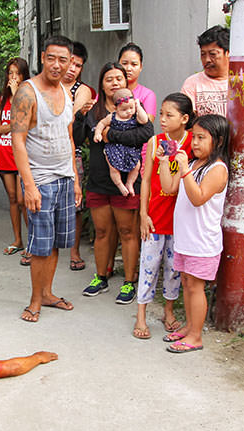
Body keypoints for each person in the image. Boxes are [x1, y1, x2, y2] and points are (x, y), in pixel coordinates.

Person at [11, 36, 81, 323]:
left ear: (71, 64)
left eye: (63, 60)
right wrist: (29, 185)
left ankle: (49, 293)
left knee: (55, 244)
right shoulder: (28, 93)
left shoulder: (66, 92)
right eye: (51, 58)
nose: (57, 65)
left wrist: (76, 178)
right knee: (40, 245)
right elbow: (17, 139)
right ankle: (35, 300)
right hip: (40, 179)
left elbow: (68, 137)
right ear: (42, 57)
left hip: (64, 176)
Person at [75, 63, 153, 304]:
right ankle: (101, 277)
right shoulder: (94, 111)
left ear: (126, 82)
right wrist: (80, 116)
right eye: (109, 79)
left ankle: (130, 281)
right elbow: (80, 138)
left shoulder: (133, 106)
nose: (115, 83)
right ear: (102, 84)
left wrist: (110, 136)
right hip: (99, 180)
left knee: (128, 232)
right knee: (101, 232)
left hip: (128, 181)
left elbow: (145, 134)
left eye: (119, 78)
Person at [161, 115, 229, 353]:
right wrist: (163, 162)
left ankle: (196, 337)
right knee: (187, 284)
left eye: (202, 138)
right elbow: (169, 188)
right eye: (194, 137)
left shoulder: (218, 169)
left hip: (202, 242)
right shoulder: (192, 164)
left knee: (195, 287)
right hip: (186, 239)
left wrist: (184, 171)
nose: (196, 143)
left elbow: (198, 198)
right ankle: (189, 327)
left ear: (218, 141)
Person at [132, 93, 194, 340]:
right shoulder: (155, 140)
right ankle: (140, 315)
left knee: (173, 269)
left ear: (185, 118)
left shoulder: (192, 144)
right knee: (148, 266)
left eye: (170, 115)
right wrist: (143, 214)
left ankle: (168, 311)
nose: (163, 119)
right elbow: (145, 180)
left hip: (180, 221)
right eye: (161, 114)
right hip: (155, 218)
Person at [0, 57, 30, 259]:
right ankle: (18, 239)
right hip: (5, 153)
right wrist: (13, 125)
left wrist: (17, 93)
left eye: (17, 73)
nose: (13, 77)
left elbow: (25, 120)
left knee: (23, 199)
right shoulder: (3, 99)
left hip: (21, 155)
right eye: (10, 73)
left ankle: (32, 241)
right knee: (13, 199)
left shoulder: (27, 95)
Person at [62, 41, 93, 271]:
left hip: (73, 150)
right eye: (71, 63)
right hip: (44, 152)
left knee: (75, 204)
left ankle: (74, 251)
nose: (73, 69)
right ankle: (37, 249)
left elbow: (70, 123)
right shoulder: (45, 86)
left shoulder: (82, 90)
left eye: (78, 66)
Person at [93, 88, 150, 197]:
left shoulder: (135, 116)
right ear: (116, 108)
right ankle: (119, 184)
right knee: (113, 168)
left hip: (130, 148)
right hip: (114, 148)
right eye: (124, 109)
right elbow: (101, 124)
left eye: (131, 107)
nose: (129, 111)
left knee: (137, 165)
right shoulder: (112, 117)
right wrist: (98, 133)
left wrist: (138, 107)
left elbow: (144, 120)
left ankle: (129, 183)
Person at [181, 25, 229, 117]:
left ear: (227, 53)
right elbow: (188, 122)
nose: (207, 60)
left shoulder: (242, 83)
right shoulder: (192, 83)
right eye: (203, 54)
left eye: (213, 54)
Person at [118, 43, 157, 121]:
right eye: (124, 63)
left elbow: (147, 126)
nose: (128, 68)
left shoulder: (147, 95)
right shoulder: (109, 91)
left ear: (141, 67)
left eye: (134, 64)